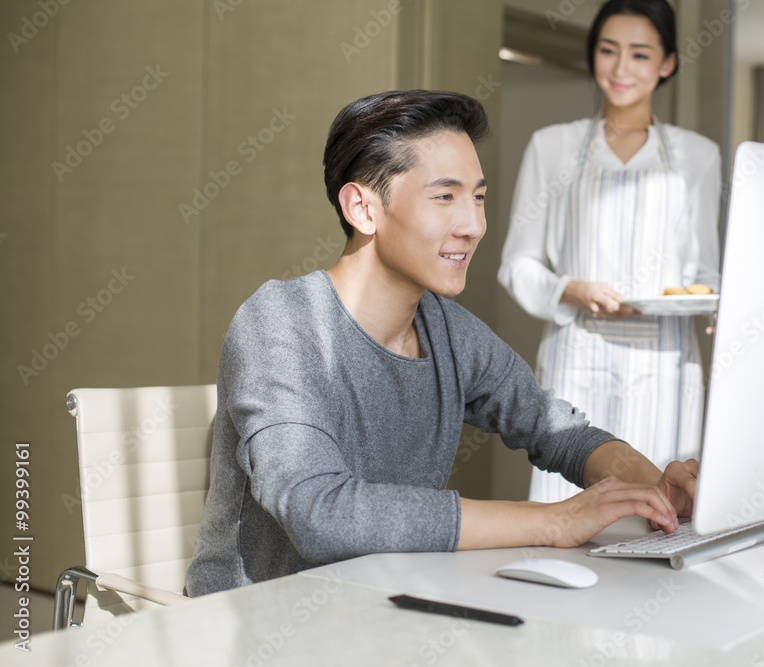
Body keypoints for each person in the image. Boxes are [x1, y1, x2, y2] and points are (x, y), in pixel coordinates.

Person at [186, 89, 698, 596]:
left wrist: (655, 488)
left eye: (477, 197)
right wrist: (553, 522)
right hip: (257, 626)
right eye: (445, 196)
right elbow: (321, 513)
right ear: (363, 208)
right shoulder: (282, 324)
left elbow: (556, 430)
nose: (474, 225)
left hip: (384, 612)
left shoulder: (448, 330)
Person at [497, 0, 721, 503]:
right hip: (579, 356)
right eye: (608, 50)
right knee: (566, 507)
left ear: (666, 64)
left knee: (662, 504)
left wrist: (715, 302)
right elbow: (517, 263)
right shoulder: (550, 146)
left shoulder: (697, 157)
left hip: (666, 365)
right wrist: (570, 288)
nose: (621, 68)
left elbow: (706, 269)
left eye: (640, 54)